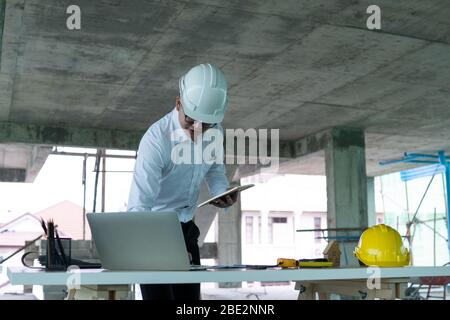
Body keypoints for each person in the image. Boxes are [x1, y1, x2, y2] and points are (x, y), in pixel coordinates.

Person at [127, 63, 238, 300]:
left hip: (187, 230)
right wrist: (165, 249)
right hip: (154, 230)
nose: (198, 130)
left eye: (205, 125)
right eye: (191, 121)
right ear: (179, 104)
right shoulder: (156, 140)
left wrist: (223, 192)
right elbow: (139, 206)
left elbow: (215, 170)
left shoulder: (215, 131)